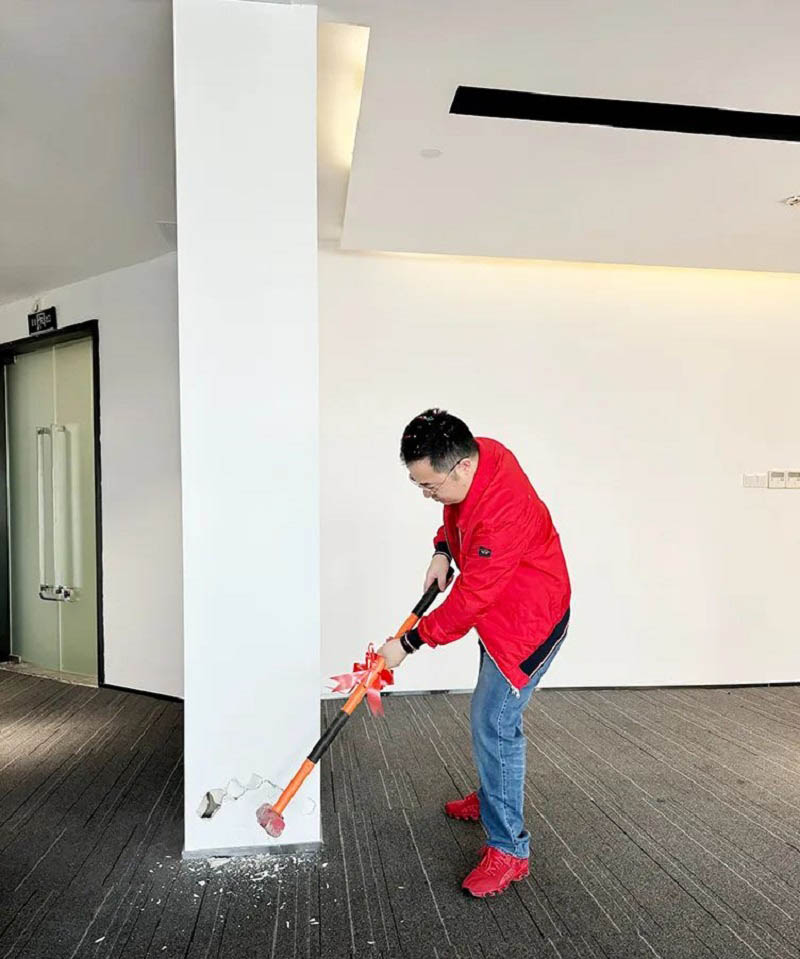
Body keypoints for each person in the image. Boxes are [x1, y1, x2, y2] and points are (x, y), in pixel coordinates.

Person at [377, 408, 571, 898]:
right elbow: (457, 515)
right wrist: (443, 550)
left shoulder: (504, 512)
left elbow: (470, 600)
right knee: (490, 722)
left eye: (430, 486)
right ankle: (491, 798)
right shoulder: (480, 454)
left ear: (461, 466)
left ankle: (510, 849)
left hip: (527, 623)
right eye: (419, 485)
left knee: (494, 723)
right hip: (499, 611)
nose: (428, 494)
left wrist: (408, 643)